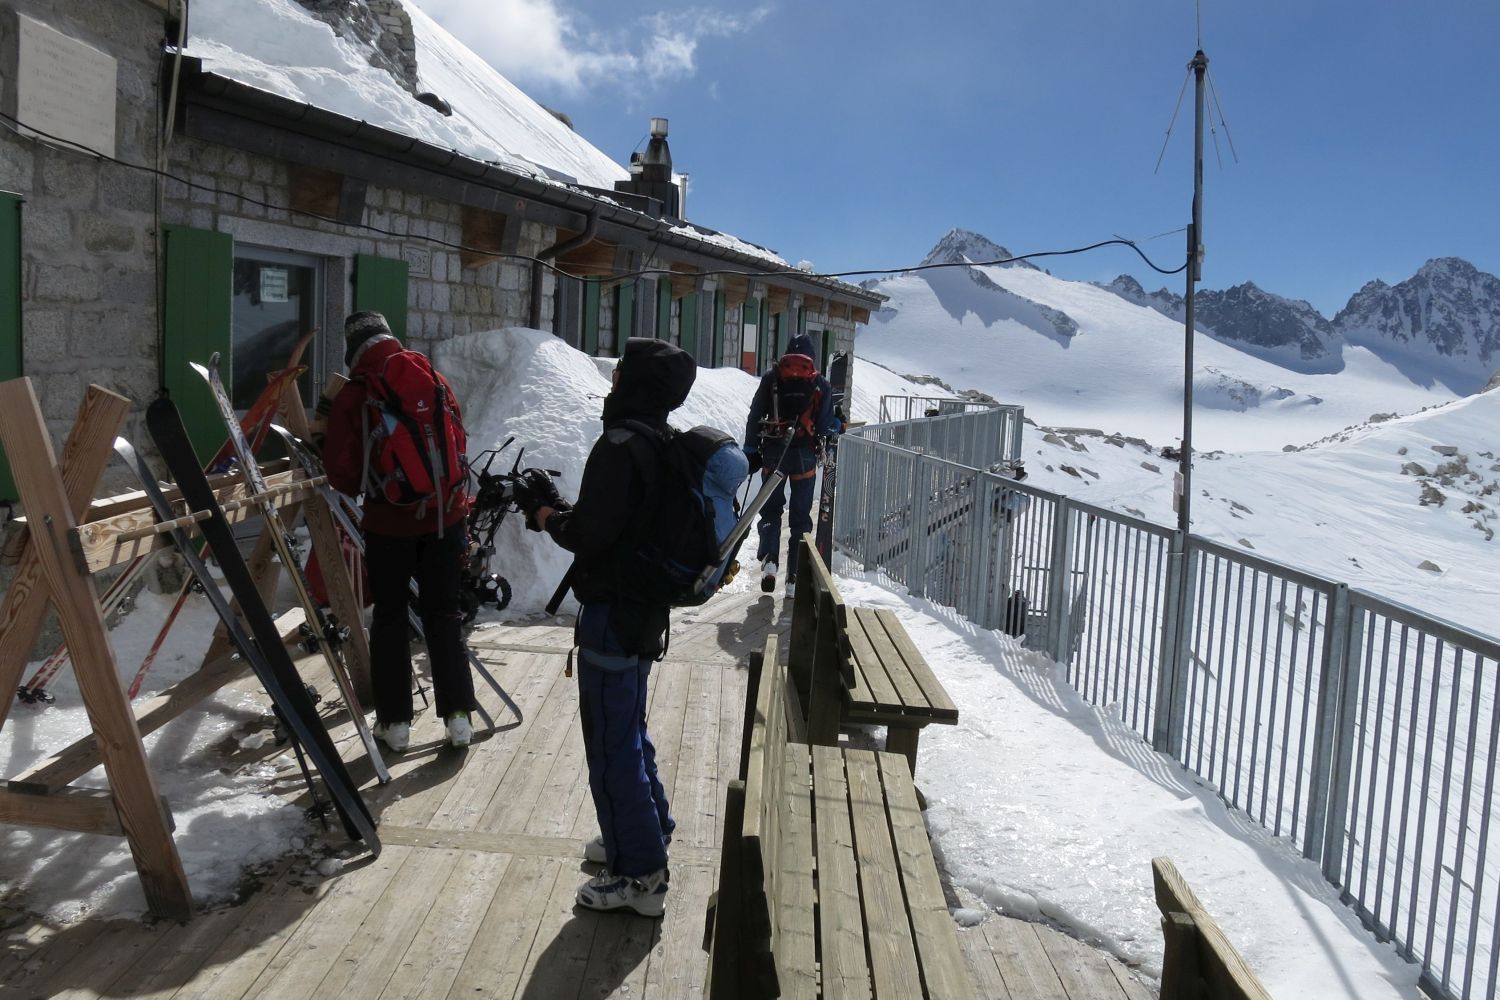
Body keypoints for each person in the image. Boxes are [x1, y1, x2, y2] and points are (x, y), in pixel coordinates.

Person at [518, 337, 696, 918]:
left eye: (620, 376)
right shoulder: (659, 441)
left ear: (635, 385)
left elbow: (591, 535)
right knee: (627, 728)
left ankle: (639, 874)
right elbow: (618, 524)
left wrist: (545, 514)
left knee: (610, 742)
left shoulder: (619, 445)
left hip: (613, 614)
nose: (611, 384)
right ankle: (647, 830)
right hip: (642, 612)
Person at [322, 311, 479, 751]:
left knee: (390, 617)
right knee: (443, 614)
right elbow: (459, 441)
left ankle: (395, 726)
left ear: (354, 351)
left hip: (389, 525)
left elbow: (342, 473)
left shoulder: (356, 394)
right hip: (447, 516)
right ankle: (459, 717)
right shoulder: (432, 377)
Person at [744, 333, 841, 595]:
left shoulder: (772, 378)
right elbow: (823, 425)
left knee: (771, 511)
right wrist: (837, 423)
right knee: (800, 518)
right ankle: (794, 578)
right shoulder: (819, 382)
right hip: (805, 457)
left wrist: (751, 449)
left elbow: (755, 413)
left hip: (774, 452)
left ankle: (770, 564)